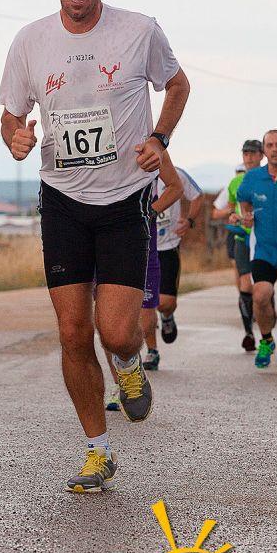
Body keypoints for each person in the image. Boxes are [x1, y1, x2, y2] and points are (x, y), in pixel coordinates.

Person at [0, 0, 190, 492]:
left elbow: (178, 85)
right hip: (61, 199)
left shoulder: (139, 30)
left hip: (125, 197)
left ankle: (127, 365)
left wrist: (160, 136)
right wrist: (15, 137)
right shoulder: (30, 40)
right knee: (73, 331)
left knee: (117, 332)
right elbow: (11, 115)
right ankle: (97, 450)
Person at [105, 151, 184, 406]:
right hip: (102, 238)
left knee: (146, 318)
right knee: (106, 317)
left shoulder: (149, 142)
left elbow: (175, 187)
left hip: (141, 241)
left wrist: (148, 212)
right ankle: (119, 383)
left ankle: (137, 356)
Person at [237, 129, 277, 372]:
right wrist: (247, 215)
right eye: (270, 145)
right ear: (264, 151)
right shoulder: (253, 178)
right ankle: (266, 340)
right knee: (260, 295)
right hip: (264, 250)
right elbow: (243, 200)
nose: (275, 149)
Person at [141, 168, 202, 365]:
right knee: (146, 303)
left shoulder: (176, 174)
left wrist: (189, 221)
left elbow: (197, 196)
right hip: (141, 247)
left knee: (164, 303)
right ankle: (152, 350)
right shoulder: (132, 175)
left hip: (168, 246)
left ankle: (167, 316)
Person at [212, 140, 264, 351]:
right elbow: (230, 209)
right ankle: (249, 333)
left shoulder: (270, 179)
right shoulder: (236, 182)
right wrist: (233, 216)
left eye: (252, 153)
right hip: (242, 238)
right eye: (245, 153)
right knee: (245, 283)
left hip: (265, 239)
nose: (249, 157)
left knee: (263, 288)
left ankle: (266, 322)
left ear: (261, 155)